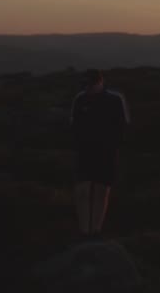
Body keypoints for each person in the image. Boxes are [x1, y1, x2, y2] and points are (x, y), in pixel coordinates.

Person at [70, 69, 130, 235]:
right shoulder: (80, 99)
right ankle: (84, 231)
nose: (87, 89)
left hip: (106, 152)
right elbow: (74, 124)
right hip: (84, 151)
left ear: (100, 82)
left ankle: (96, 230)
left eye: (90, 85)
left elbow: (123, 125)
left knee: (101, 191)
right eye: (85, 85)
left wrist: (114, 146)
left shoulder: (115, 99)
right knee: (82, 190)